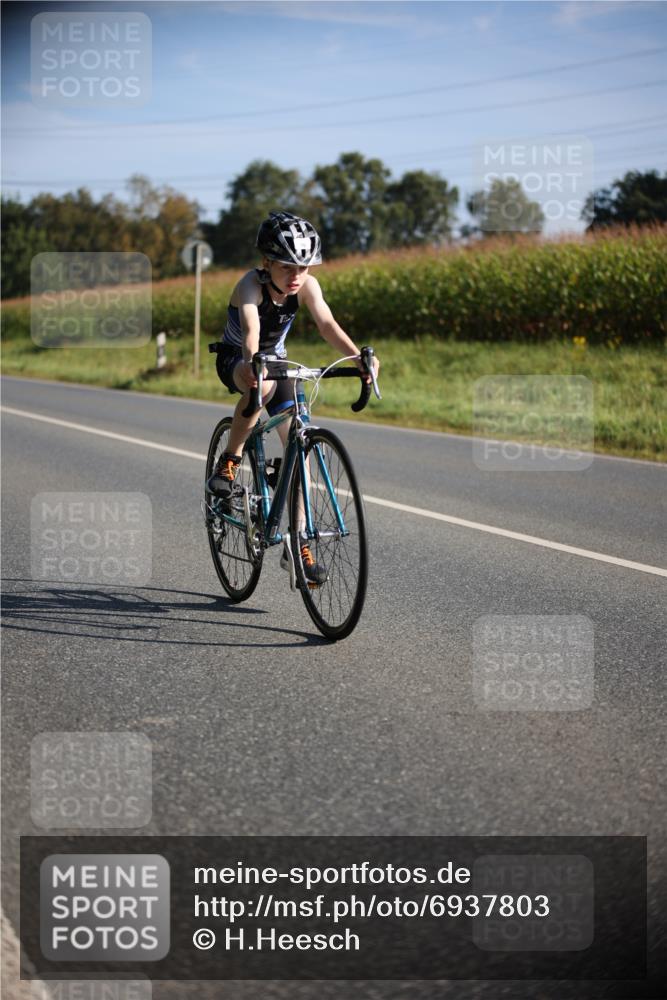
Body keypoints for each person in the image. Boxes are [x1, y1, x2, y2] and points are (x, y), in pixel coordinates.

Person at [207, 210, 379, 584]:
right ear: (266, 263)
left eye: (304, 266)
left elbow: (327, 324)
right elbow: (252, 329)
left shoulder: (308, 287)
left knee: (296, 450)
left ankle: (296, 542)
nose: (297, 276)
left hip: (279, 362)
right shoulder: (250, 285)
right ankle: (231, 459)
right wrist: (254, 363)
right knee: (261, 385)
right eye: (287, 267)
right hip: (238, 358)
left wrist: (358, 359)